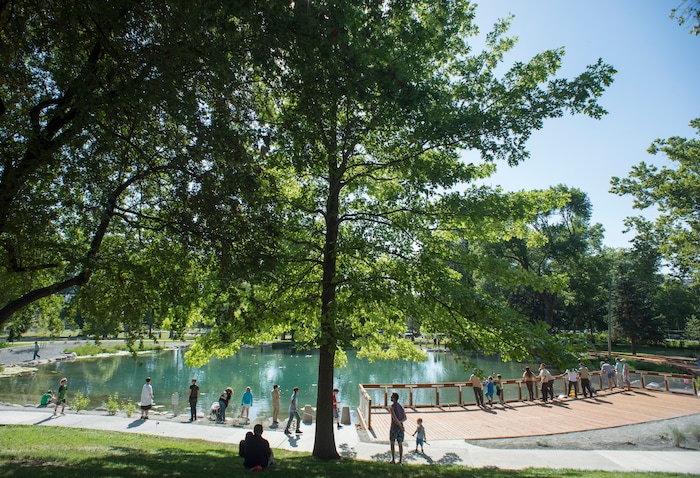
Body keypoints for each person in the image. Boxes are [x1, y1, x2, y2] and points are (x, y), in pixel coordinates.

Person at [388, 392, 406, 464]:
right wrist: (401, 424)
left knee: (392, 443)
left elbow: (395, 419)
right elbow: (405, 418)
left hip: (394, 428)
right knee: (400, 444)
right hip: (400, 428)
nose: (390, 398)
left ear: (394, 398)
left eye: (392, 397)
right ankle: (400, 460)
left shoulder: (391, 407)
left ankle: (393, 459)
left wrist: (399, 425)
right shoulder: (401, 406)